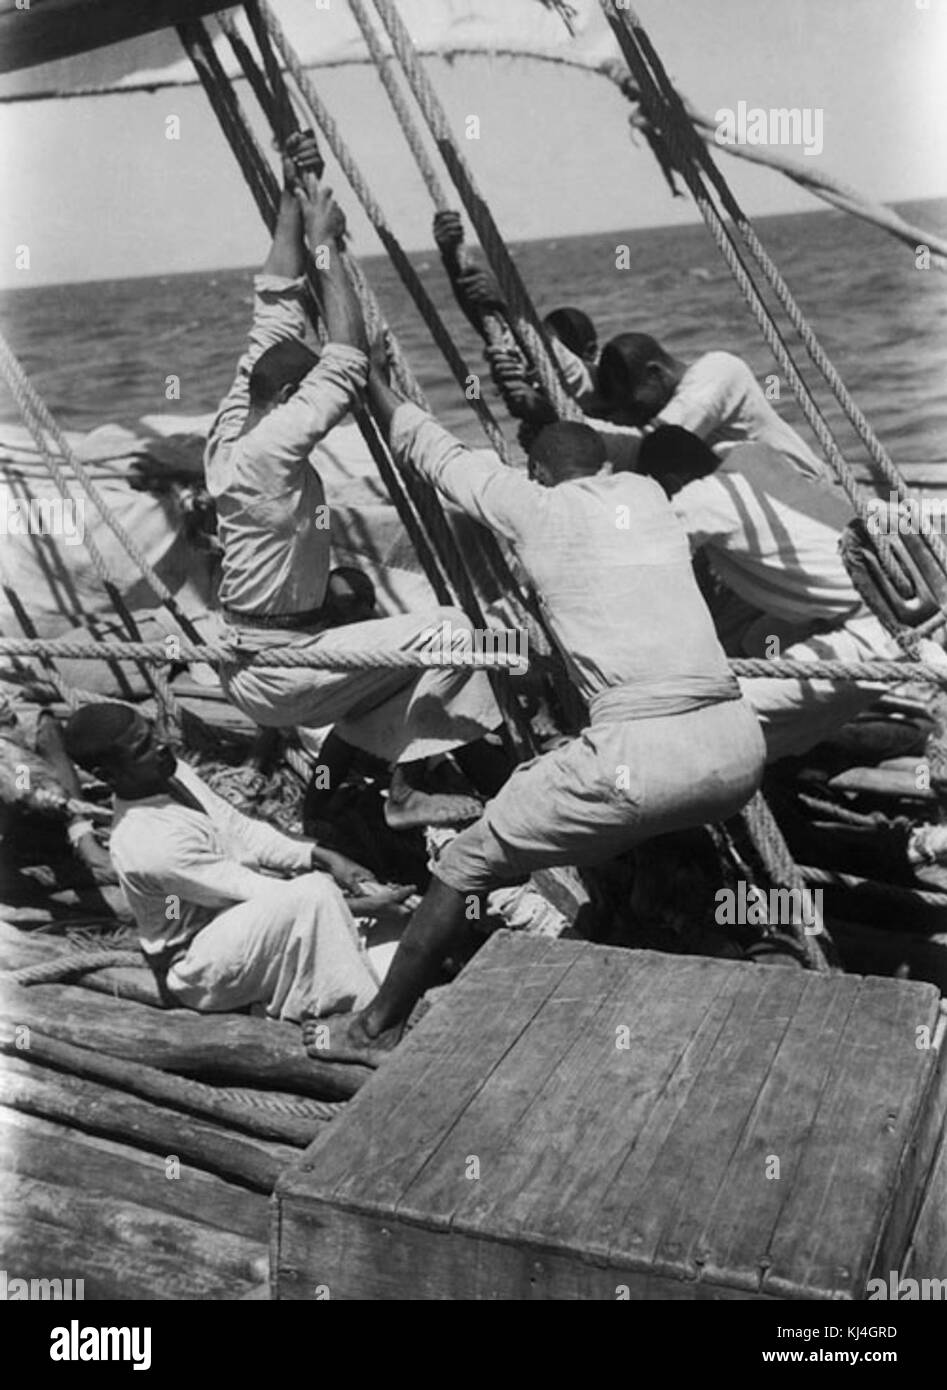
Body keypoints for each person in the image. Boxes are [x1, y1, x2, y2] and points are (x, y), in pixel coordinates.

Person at [304, 378, 766, 1063]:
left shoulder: (535, 506)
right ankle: (723, 941)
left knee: (462, 864)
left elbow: (429, 450)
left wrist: (364, 375)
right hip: (739, 746)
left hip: (640, 756)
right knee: (619, 819)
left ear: (539, 475)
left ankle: (373, 1029)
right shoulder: (646, 498)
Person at [205, 135, 503, 828]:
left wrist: (292, 194)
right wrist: (329, 246)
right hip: (280, 670)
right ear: (287, 403)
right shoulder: (271, 449)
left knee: (369, 617)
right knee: (455, 630)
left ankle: (375, 780)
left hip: (264, 655)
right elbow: (345, 358)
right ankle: (402, 784)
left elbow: (274, 303)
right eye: (306, 403)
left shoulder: (231, 425)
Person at [62, 703, 415, 1022]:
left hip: (244, 919)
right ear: (107, 775)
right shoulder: (149, 842)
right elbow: (252, 892)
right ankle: (361, 1021)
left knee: (379, 940)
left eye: (152, 731)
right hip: (203, 961)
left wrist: (322, 855)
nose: (159, 745)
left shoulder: (169, 771)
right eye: (142, 748)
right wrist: (359, 903)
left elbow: (240, 830)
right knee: (316, 892)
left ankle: (364, 987)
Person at [636, 425, 906, 759]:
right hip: (872, 596)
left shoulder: (700, 501)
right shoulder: (754, 454)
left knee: (729, 711)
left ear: (673, 484)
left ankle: (761, 750)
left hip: (880, 628)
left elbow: (644, 568)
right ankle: (790, 741)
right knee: (759, 641)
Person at [594, 333, 828, 479]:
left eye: (635, 406)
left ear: (655, 374)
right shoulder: (681, 400)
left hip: (804, 489)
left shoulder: (717, 371)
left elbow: (652, 445)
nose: (636, 416)